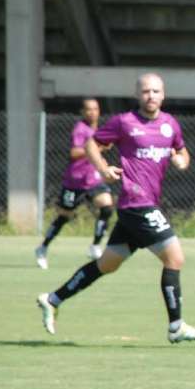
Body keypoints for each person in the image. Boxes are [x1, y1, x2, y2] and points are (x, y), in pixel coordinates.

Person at [36, 73, 195, 343]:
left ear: (163, 95)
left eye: (155, 91)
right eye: (145, 91)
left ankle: (53, 299)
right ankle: (176, 326)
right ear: (137, 95)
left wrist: (182, 161)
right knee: (175, 258)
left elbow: (182, 152)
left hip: (144, 205)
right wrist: (103, 169)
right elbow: (91, 144)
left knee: (107, 264)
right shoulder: (124, 122)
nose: (151, 96)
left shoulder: (170, 125)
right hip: (136, 203)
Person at [35, 98, 115, 268]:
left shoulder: (99, 129)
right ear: (82, 112)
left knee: (107, 206)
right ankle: (42, 247)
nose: (92, 112)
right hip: (75, 182)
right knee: (64, 217)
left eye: (95, 109)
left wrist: (103, 163)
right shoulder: (81, 129)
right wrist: (99, 149)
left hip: (93, 179)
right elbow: (75, 153)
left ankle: (95, 246)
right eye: (88, 109)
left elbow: (97, 154)